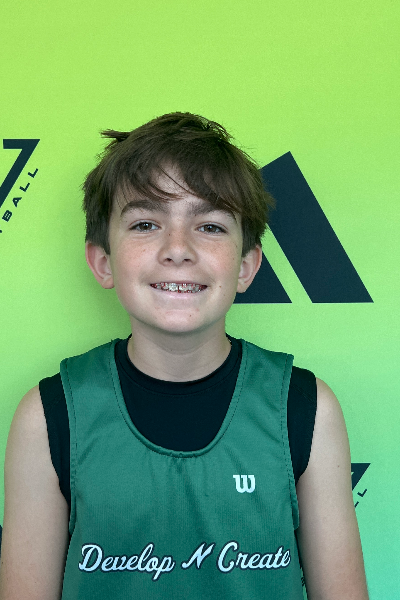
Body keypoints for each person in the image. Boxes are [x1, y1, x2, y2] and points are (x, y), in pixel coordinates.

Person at [0, 112, 369, 599]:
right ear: (103, 262)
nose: (178, 249)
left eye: (210, 226)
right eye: (146, 223)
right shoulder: (47, 417)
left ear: (246, 266)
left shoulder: (306, 409)